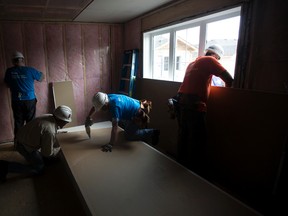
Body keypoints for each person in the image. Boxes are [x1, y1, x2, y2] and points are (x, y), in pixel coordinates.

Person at [172, 44, 233, 173]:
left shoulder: (192, 63)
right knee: (198, 137)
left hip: (181, 100)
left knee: (184, 134)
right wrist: (230, 96)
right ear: (216, 56)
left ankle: (181, 165)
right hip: (194, 102)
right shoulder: (211, 61)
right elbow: (229, 79)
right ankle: (195, 172)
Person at [0, 105, 72, 182]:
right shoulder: (50, 131)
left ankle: (43, 160)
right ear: (59, 119)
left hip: (23, 138)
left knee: (48, 149)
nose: (66, 123)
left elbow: (47, 134)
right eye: (65, 122)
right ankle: (5, 166)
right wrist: (59, 148)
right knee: (38, 169)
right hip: (24, 145)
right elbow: (47, 153)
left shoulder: (49, 116)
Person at [85, 92, 160, 152]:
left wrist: (111, 144)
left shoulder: (115, 108)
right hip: (134, 107)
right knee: (122, 126)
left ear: (105, 104)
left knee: (128, 136)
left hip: (137, 115)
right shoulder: (107, 97)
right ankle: (131, 127)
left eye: (101, 108)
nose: (101, 110)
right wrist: (88, 117)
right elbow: (95, 106)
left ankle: (152, 133)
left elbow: (115, 127)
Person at [4, 51, 44, 139]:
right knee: (31, 122)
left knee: (18, 122)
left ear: (13, 61)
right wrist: (40, 74)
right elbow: (41, 78)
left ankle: (18, 144)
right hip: (29, 100)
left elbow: (7, 84)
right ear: (22, 60)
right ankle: (31, 142)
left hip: (16, 100)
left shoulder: (9, 71)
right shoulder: (30, 70)